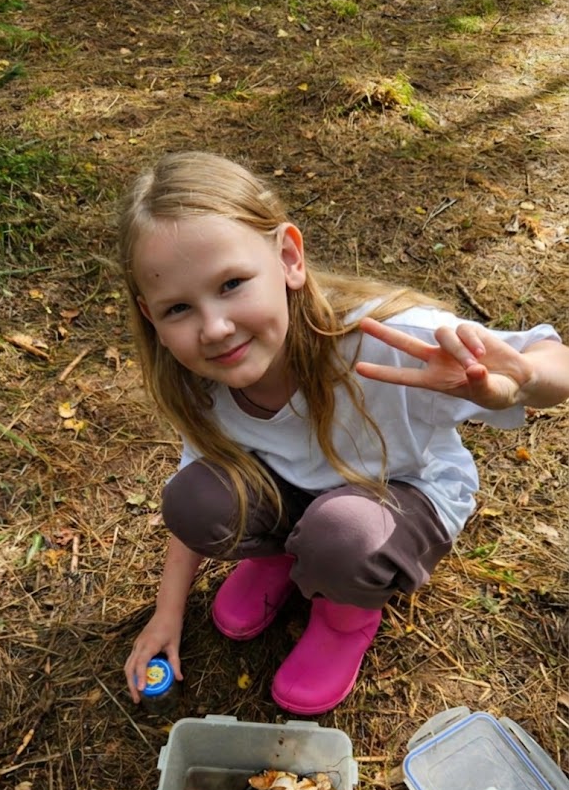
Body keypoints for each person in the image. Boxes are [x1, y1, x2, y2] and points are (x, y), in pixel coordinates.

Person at [118, 150, 569, 716]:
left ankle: (344, 614)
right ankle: (286, 557)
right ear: (151, 318)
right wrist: (168, 612)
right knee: (195, 500)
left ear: (287, 257)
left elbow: (556, 360)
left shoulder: (385, 340)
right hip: (300, 498)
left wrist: (521, 378)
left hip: (398, 498)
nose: (214, 328)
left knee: (343, 534)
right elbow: (200, 485)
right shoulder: (202, 383)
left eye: (232, 283)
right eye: (179, 307)